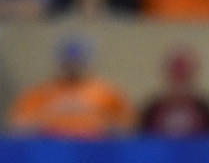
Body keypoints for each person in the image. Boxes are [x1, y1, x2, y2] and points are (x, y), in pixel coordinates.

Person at [7, 36, 136, 138]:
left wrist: (98, 124)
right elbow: (18, 128)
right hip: (50, 151)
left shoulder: (108, 93)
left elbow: (128, 129)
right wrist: (49, 123)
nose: (73, 66)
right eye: (69, 61)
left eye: (79, 61)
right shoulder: (40, 93)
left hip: (96, 151)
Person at [140, 47, 209, 136]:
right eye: (177, 74)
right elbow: (140, 142)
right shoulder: (152, 110)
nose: (180, 81)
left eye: (184, 75)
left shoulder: (207, 111)